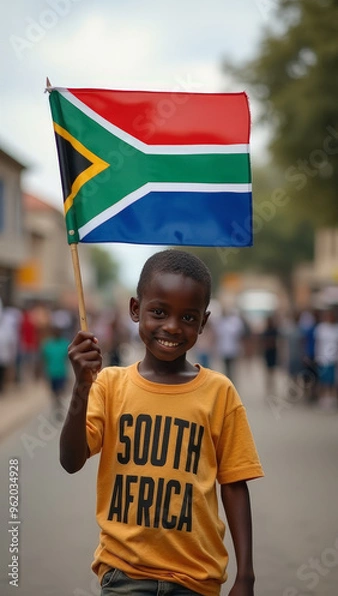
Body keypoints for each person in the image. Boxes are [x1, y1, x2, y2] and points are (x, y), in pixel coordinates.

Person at [60, 250, 264, 596]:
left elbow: (234, 483)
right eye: (158, 312)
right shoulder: (109, 384)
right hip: (124, 574)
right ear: (135, 310)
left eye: (188, 316)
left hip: (196, 579)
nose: (172, 326)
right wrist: (82, 385)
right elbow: (71, 460)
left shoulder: (219, 392)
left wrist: (246, 575)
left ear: (203, 322)